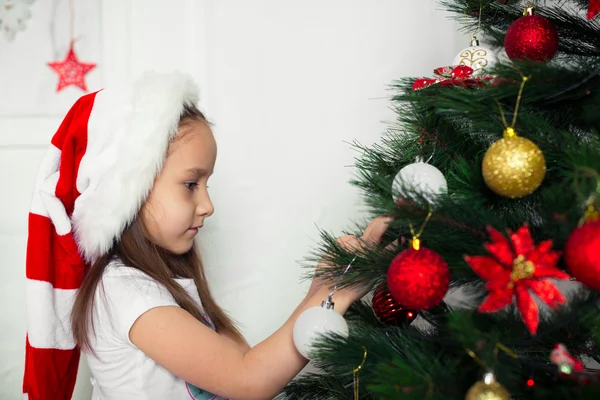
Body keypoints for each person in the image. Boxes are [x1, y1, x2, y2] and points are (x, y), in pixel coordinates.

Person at [23, 72, 392, 400]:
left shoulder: (167, 286)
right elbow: (249, 380)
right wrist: (332, 295)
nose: (208, 205)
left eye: (206, 183)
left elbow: (246, 365)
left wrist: (321, 288)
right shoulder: (124, 293)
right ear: (128, 194)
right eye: (190, 184)